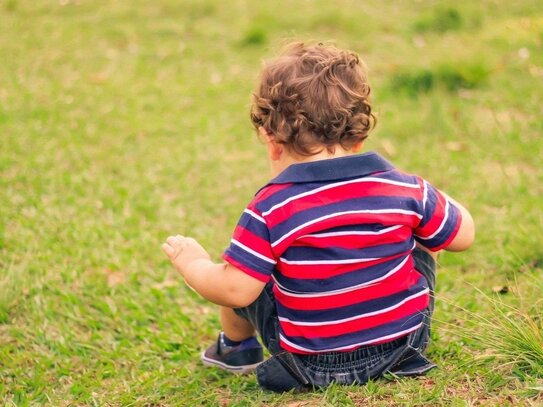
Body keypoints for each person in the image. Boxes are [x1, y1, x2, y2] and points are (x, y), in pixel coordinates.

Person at [161, 42, 475, 392]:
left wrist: (194, 264)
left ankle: (236, 349)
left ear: (271, 139)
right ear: (359, 136)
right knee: (424, 237)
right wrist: (429, 195)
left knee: (246, 272)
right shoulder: (403, 189)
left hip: (310, 363)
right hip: (405, 347)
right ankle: (388, 318)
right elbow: (462, 236)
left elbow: (235, 290)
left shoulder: (270, 207)